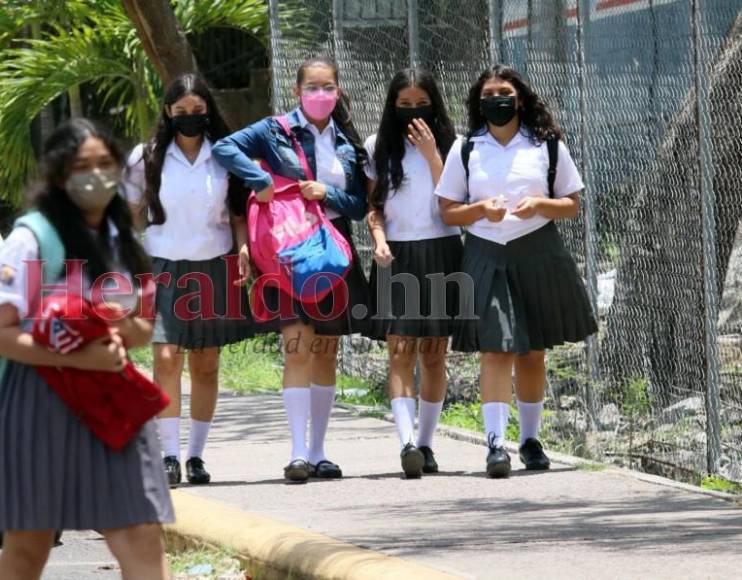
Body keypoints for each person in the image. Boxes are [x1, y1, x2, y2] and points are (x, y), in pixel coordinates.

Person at [0, 118, 173, 579]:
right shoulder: (31, 240)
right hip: (38, 401)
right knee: (29, 546)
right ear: (59, 175)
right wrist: (77, 355)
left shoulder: (122, 240)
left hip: (113, 399)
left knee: (142, 534)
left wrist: (113, 326)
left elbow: (144, 329)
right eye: (81, 166)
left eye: (105, 163)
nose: (96, 175)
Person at [212, 56, 370, 483]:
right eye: (312, 87)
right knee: (297, 346)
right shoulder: (274, 130)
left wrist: (329, 194)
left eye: (328, 87)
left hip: (333, 255)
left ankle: (319, 450)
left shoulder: (347, 142)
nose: (321, 95)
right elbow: (224, 148)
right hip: (288, 252)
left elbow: (359, 206)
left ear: (338, 91)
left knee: (326, 352)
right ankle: (298, 452)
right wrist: (258, 180)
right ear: (297, 91)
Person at [435, 65, 597, 478]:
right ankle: (495, 446)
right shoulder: (466, 148)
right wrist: (480, 210)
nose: (497, 100)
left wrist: (541, 205)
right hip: (486, 251)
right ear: (478, 102)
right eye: (488, 94)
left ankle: (529, 440)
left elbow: (572, 203)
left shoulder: (547, 145)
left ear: (520, 98)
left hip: (537, 250)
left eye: (504, 92)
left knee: (532, 351)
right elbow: (449, 209)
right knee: (496, 348)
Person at [122, 73, 255, 487]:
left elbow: (237, 212)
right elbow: (129, 210)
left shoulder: (226, 154)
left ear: (209, 112)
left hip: (213, 265)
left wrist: (245, 249)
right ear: (168, 113)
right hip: (162, 265)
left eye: (198, 111)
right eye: (182, 112)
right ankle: (169, 456)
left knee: (207, 364)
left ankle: (196, 456)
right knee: (166, 358)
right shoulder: (146, 157)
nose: (190, 118)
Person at [364, 68, 461, 478]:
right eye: (404, 105)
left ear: (435, 105)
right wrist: (378, 238)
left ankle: (426, 443)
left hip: (442, 250)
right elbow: (374, 206)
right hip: (396, 255)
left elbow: (454, 199)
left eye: (421, 104)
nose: (413, 112)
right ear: (392, 108)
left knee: (434, 356)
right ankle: (405, 441)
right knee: (399, 352)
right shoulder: (377, 146)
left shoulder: (454, 146)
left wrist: (432, 155)